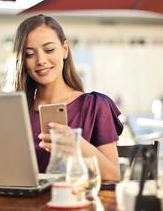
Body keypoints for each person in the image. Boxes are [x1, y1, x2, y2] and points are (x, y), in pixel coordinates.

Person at [12, 14, 123, 181]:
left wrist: (77, 145)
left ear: (65, 49)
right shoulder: (16, 113)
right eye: (29, 54)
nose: (41, 60)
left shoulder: (95, 105)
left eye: (49, 49)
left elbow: (114, 175)